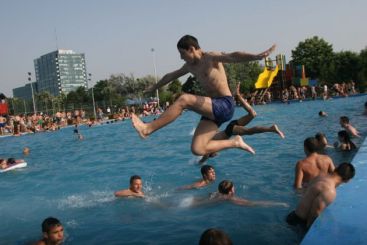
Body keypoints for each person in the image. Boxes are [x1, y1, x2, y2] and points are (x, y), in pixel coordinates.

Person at [131, 35, 276, 157]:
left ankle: (147, 129)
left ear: (192, 49)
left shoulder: (210, 57)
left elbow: (232, 56)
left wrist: (256, 57)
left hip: (225, 104)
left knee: (184, 99)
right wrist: (154, 87)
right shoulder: (190, 66)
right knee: (197, 149)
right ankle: (235, 142)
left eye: (182, 54)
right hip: (214, 109)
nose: (181, 58)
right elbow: (171, 75)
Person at [199, 83, 284, 163]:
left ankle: (271, 128)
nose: (215, 154)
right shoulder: (213, 142)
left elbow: (204, 156)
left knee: (249, 131)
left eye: (213, 154)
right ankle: (238, 96)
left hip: (230, 130)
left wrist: (200, 162)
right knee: (252, 114)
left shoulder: (210, 147)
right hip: (231, 126)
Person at [287, 163, 355, 228]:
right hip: (299, 224)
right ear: (347, 180)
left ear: (336, 168)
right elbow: (314, 214)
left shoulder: (320, 176)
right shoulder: (330, 191)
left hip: (293, 215)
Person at [194, 180, 288, 207]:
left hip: (199, 200)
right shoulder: (229, 198)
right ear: (231, 191)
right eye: (233, 187)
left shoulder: (217, 193)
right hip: (203, 204)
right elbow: (253, 203)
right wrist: (279, 203)